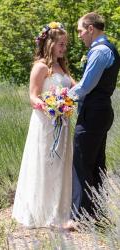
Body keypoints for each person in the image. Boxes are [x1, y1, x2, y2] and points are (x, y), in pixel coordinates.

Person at [12, 22, 76, 228]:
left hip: (63, 124)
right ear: (49, 43)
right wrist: (51, 107)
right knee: (46, 163)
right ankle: (41, 212)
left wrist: (66, 103)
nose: (63, 48)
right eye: (60, 44)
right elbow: (33, 97)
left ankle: (59, 211)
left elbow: (75, 88)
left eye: (65, 44)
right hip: (46, 123)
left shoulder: (62, 67)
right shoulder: (40, 67)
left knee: (60, 165)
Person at [67, 12, 120, 225]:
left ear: (91, 29)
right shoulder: (108, 48)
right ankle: (96, 214)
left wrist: (62, 99)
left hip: (94, 112)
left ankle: (80, 218)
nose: (79, 35)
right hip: (101, 111)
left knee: (81, 161)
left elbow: (86, 85)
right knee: (96, 163)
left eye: (80, 31)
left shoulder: (99, 51)